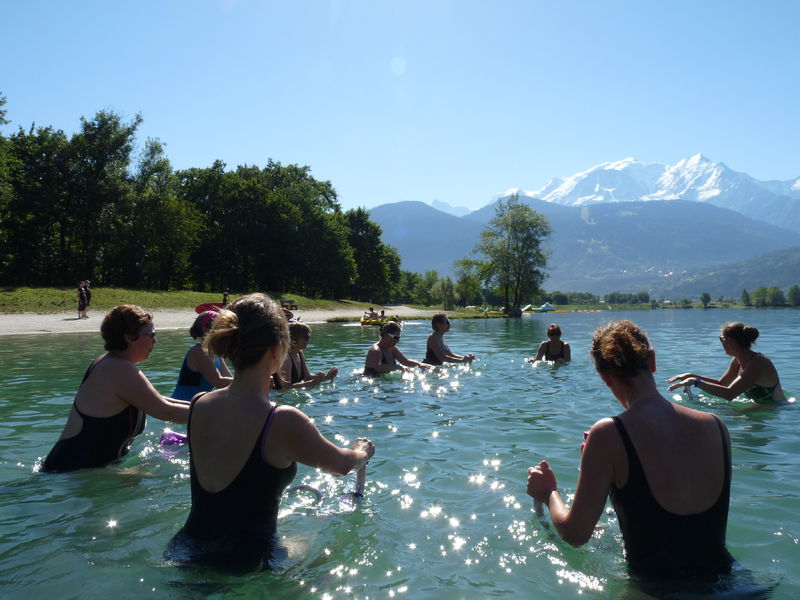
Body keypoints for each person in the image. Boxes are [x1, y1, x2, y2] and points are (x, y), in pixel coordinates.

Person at [167, 293, 374, 571]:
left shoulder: (200, 403)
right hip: (245, 563)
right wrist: (363, 451)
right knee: (332, 552)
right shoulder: (282, 420)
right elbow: (342, 465)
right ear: (277, 350)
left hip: (184, 549)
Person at [526, 320, 734, 578]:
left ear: (604, 377)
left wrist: (547, 491)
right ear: (652, 360)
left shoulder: (607, 434)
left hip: (657, 589)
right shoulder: (716, 425)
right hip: (734, 582)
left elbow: (575, 534)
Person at [41, 305, 191, 472]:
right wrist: (210, 412)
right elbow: (166, 411)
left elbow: (159, 401)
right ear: (129, 336)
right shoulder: (116, 368)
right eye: (151, 335)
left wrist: (204, 404)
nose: (155, 341)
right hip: (68, 473)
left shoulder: (112, 363)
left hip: (78, 471)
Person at [667, 321, 787, 404]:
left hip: (775, 410)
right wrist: (691, 376)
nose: (721, 343)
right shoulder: (737, 361)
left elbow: (730, 394)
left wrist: (696, 382)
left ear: (730, 341)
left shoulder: (758, 362)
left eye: (721, 339)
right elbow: (723, 384)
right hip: (760, 409)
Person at [172, 311, 233, 401]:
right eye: (221, 329)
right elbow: (218, 382)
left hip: (196, 404)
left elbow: (228, 379)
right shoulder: (200, 352)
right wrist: (248, 381)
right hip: (182, 404)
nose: (225, 333)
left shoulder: (215, 353)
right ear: (206, 330)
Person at [272, 322, 337, 390]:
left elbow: (307, 377)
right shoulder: (286, 358)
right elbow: (285, 387)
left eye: (308, 337)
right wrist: (312, 383)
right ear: (294, 338)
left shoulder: (299, 352)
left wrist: (326, 377)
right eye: (306, 337)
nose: (308, 340)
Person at [364, 321, 431, 376]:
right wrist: (398, 367)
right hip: (372, 383)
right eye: (396, 337)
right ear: (386, 335)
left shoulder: (392, 349)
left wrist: (419, 364)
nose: (398, 340)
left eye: (399, 337)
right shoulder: (375, 350)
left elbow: (405, 361)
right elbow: (378, 368)